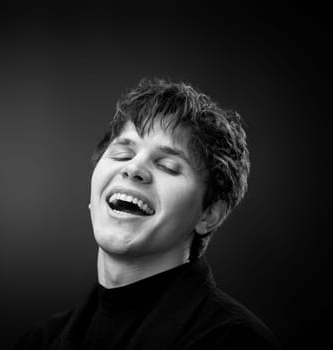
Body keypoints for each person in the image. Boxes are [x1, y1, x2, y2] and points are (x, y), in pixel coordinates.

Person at [14, 78, 279, 349]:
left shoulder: (233, 341)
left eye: (167, 166)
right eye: (121, 154)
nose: (133, 168)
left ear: (208, 215)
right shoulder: (39, 341)